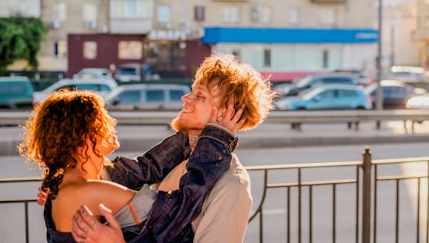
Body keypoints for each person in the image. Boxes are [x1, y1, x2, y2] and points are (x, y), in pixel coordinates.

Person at [70, 52, 278, 243]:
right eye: (192, 91)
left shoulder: (232, 184)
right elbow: (137, 175)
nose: (185, 99)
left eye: (200, 96)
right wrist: (70, 180)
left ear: (224, 113)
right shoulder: (179, 156)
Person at [21, 89, 245, 243]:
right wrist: (216, 139)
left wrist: (195, 132)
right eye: (102, 118)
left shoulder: (79, 180)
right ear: (81, 137)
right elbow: (177, 212)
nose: (113, 122)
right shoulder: (88, 190)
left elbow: (146, 168)